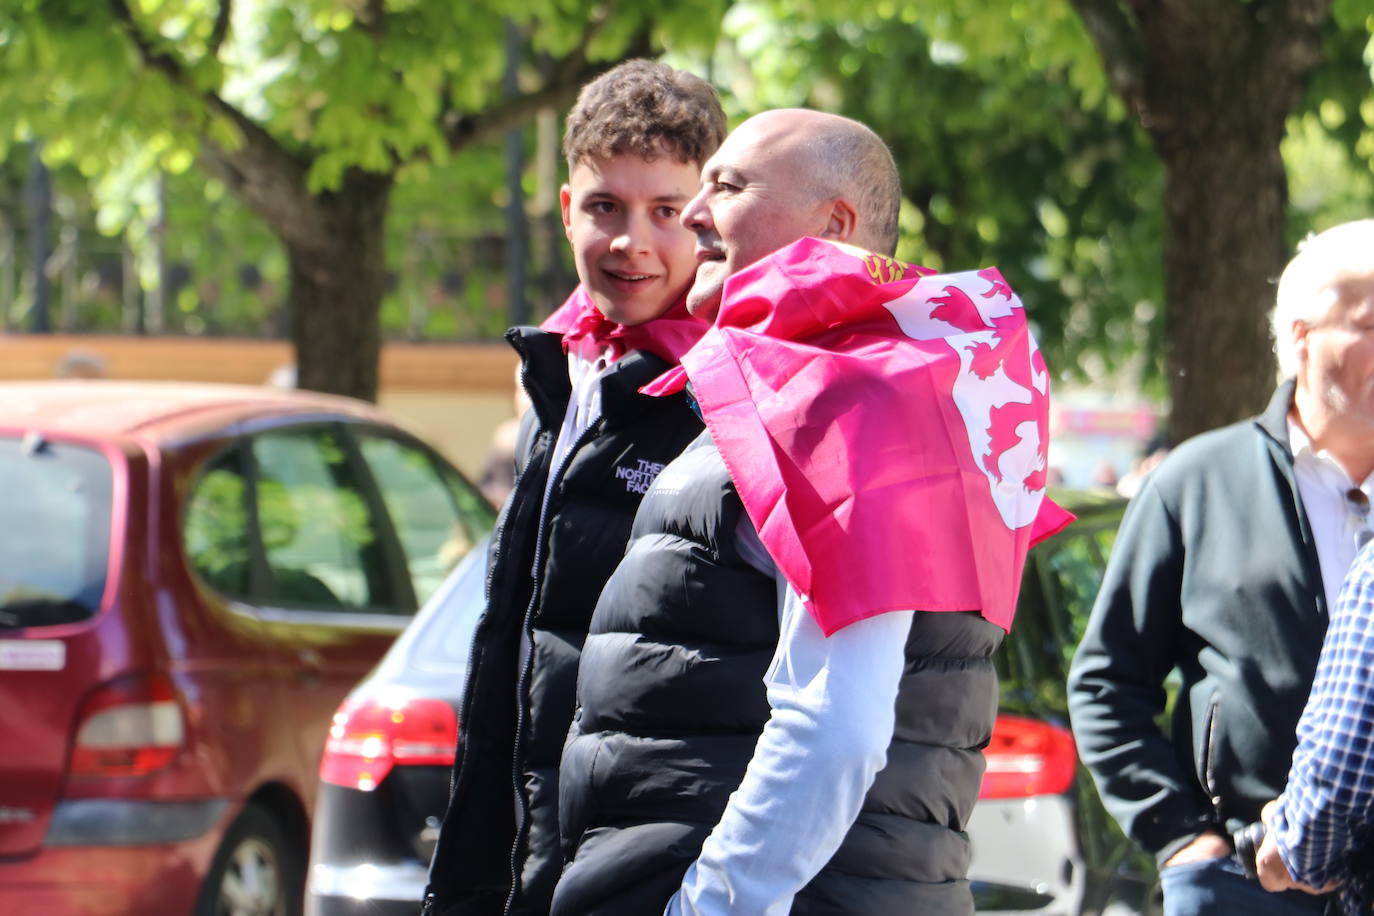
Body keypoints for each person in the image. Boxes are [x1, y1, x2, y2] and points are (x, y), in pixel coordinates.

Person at [551, 108, 1069, 916]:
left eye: (727, 186)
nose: (694, 213)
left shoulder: (846, 397)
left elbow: (838, 725)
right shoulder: (864, 386)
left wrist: (712, 905)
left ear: (836, 223)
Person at [420, 60, 726, 916]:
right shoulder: (562, 377)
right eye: (605, 208)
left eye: (667, 211)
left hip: (646, 874)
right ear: (565, 211)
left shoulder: (732, 397)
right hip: (522, 850)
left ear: (707, 219)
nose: (633, 240)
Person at [1068, 218, 1374, 915]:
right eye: (1369, 322)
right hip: (1243, 882)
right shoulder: (1197, 481)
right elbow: (1106, 681)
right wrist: (1182, 839)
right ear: (1301, 336)